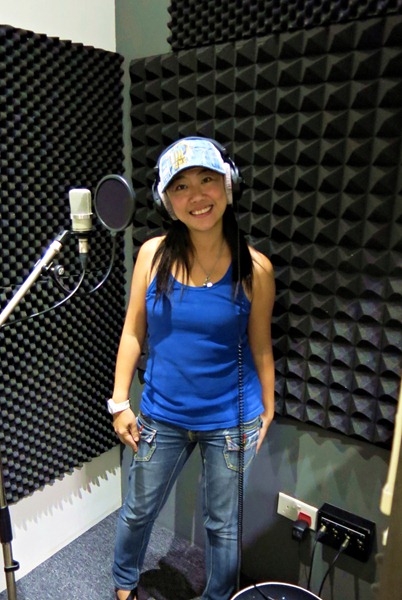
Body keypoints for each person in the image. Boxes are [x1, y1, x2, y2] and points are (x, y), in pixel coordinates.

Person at [108, 136, 275, 600]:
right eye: (181, 186)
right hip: (161, 415)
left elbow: (261, 347)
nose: (197, 196)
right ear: (166, 199)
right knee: (139, 510)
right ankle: (123, 586)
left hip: (231, 422)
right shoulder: (152, 255)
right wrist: (119, 402)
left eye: (207, 179)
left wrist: (268, 409)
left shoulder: (255, 269)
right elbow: (132, 332)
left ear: (229, 184)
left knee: (223, 527)